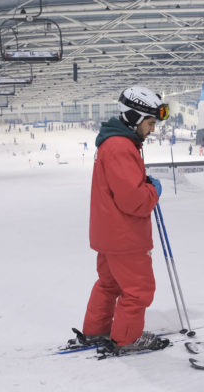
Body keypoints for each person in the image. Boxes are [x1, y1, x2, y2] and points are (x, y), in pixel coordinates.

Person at [79, 85, 170, 354]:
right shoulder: (120, 147)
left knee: (109, 284)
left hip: (109, 233)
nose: (153, 129)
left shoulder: (115, 143)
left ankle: (96, 330)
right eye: (151, 122)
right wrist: (152, 190)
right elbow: (135, 202)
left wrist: (142, 182)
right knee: (139, 290)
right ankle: (128, 338)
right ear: (132, 118)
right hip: (125, 236)